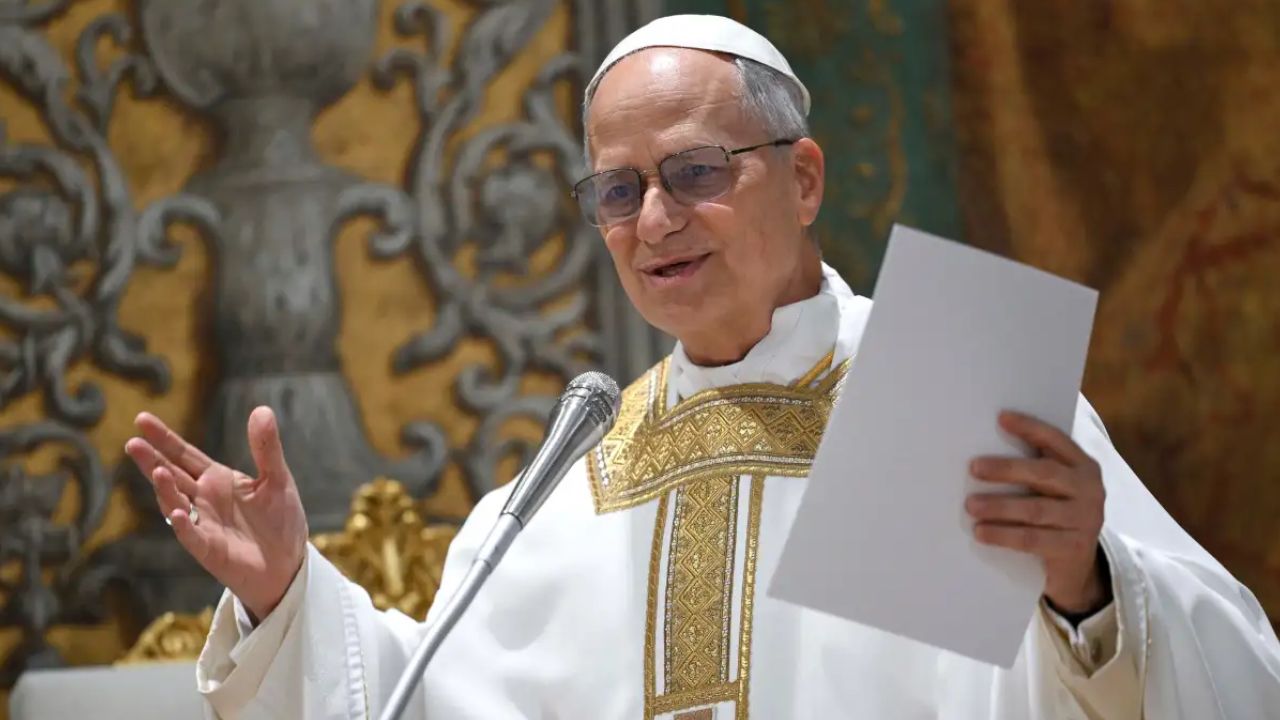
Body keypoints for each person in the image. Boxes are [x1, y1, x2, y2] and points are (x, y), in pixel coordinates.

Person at [124, 14, 1280, 719]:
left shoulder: (954, 395)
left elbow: (1225, 668)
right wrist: (285, 598)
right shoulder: (575, 479)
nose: (653, 220)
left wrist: (1086, 583)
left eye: (692, 173)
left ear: (805, 177)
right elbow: (426, 704)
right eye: (616, 192)